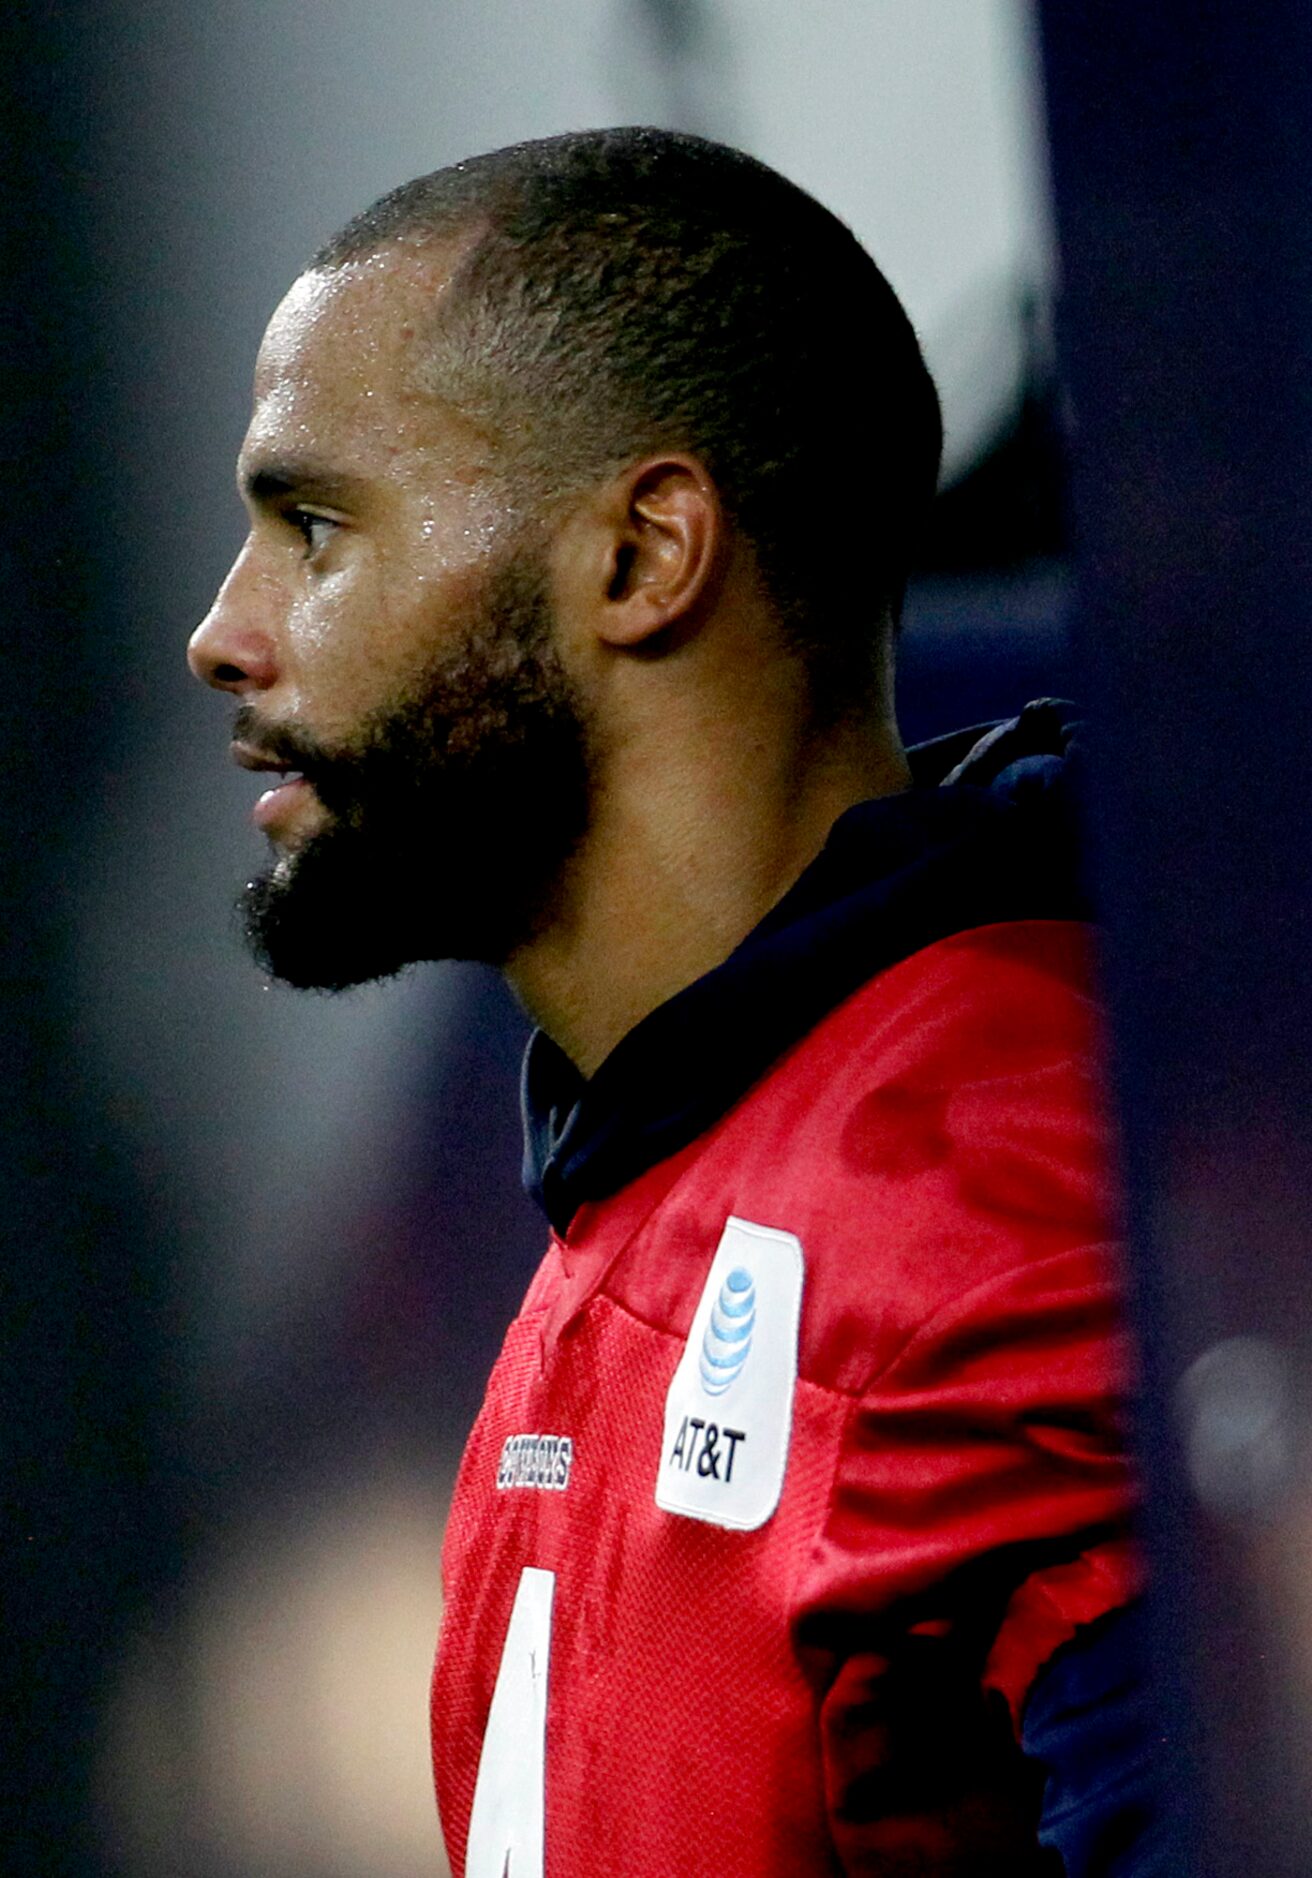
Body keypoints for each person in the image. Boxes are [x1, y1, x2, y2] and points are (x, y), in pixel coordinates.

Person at [189, 128, 1147, 1876]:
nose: (225, 632)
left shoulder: (991, 1185)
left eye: (315, 527)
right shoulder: (628, 1198)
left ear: (645, 556)